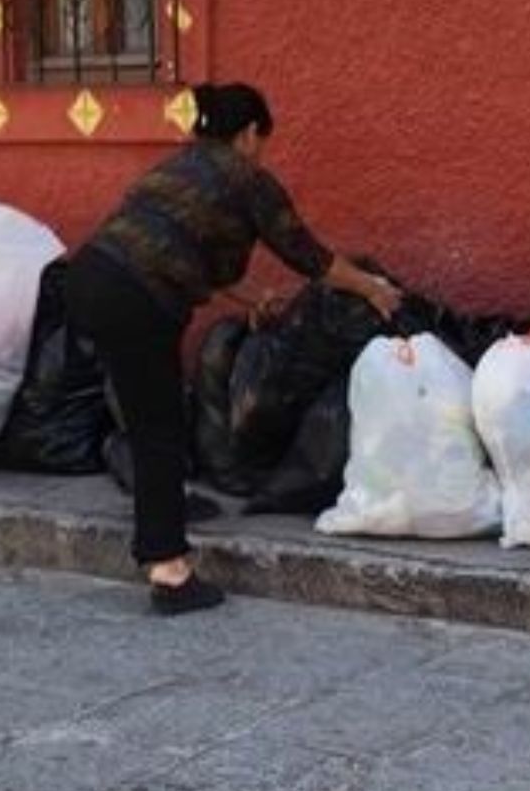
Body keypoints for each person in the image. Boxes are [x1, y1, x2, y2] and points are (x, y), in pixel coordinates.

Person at [67, 82, 401, 615]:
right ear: (249, 134)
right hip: (136, 298)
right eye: (261, 139)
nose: (261, 149)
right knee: (160, 429)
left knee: (145, 415)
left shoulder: (177, 168)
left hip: (88, 280)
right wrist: (373, 288)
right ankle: (169, 570)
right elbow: (308, 254)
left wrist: (252, 297)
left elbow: (177, 248)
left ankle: (158, 522)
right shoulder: (248, 179)